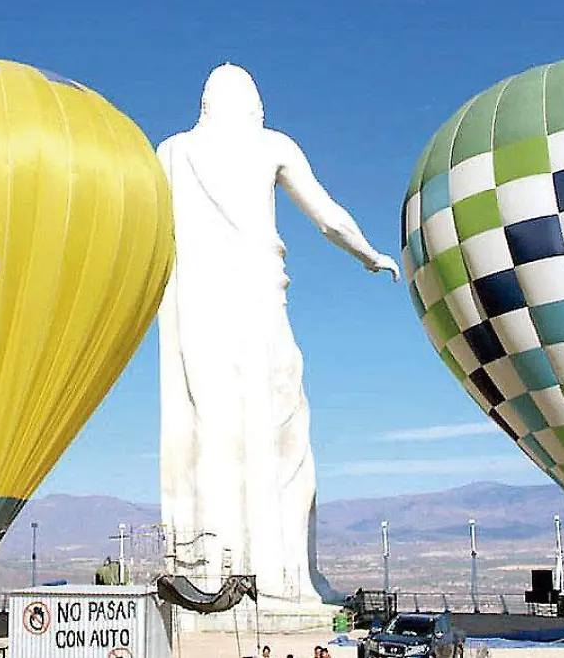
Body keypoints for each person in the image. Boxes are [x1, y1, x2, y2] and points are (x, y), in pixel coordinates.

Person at [157, 63, 397, 606]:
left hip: (194, 300)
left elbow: (142, 224)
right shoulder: (271, 145)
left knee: (207, 421)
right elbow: (328, 218)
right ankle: (278, 569)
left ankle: (210, 562)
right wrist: (370, 255)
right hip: (256, 297)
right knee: (280, 422)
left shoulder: (169, 151)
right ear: (252, 103)